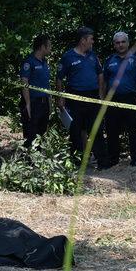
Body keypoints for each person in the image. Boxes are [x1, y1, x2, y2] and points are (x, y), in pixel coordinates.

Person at [56, 26, 109, 169]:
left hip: (92, 97)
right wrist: (60, 98)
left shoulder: (93, 56)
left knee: (96, 129)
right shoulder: (68, 57)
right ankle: (78, 162)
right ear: (83, 40)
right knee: (76, 130)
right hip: (75, 98)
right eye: (91, 39)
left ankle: (102, 163)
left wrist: (101, 95)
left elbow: (100, 74)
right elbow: (59, 79)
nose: (93, 42)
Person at [103, 31, 136, 167]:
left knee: (134, 129)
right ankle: (113, 159)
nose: (120, 45)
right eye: (117, 42)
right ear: (114, 45)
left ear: (128, 42)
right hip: (112, 99)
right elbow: (103, 82)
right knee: (112, 130)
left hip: (131, 98)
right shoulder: (109, 60)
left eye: (123, 42)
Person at [19, 34, 52, 147]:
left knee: (41, 132)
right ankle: (29, 162)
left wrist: (50, 101)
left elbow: (46, 83)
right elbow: (24, 83)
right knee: (31, 133)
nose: (51, 48)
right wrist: (27, 104)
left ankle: (39, 160)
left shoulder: (45, 62)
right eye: (49, 45)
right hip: (33, 102)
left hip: (44, 102)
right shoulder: (29, 62)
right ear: (43, 47)